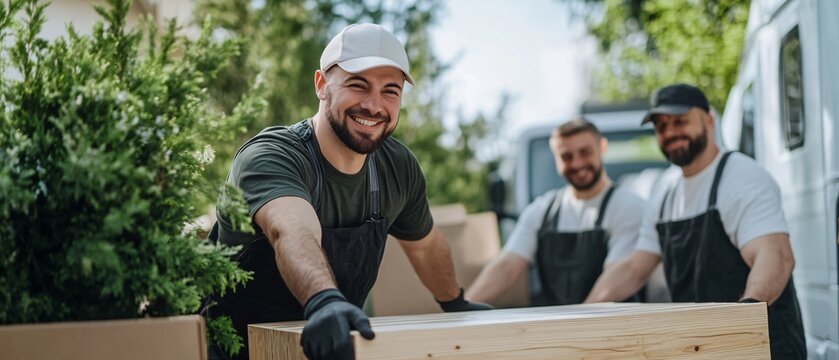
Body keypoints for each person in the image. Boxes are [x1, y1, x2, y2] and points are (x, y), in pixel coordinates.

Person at [205, 23, 491, 360]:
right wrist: (323, 299)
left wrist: (455, 302)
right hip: (238, 350)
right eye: (358, 85)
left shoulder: (397, 167)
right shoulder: (271, 155)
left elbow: (426, 246)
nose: (374, 105)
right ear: (321, 85)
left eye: (390, 91)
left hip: (332, 346)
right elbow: (291, 229)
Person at [584, 83, 806, 359]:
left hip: (761, 348)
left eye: (680, 121)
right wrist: (583, 312)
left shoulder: (741, 177)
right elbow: (633, 269)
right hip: (702, 348)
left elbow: (776, 255)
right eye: (661, 126)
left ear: (709, 119)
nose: (670, 132)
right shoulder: (664, 192)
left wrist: (743, 316)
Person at [466, 118, 645, 306]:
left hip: (614, 327)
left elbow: (618, 276)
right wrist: (464, 309)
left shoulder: (628, 206)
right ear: (556, 159)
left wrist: (578, 322)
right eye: (566, 156)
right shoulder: (541, 210)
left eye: (585, 152)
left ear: (602, 148)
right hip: (559, 327)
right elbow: (507, 265)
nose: (577, 163)